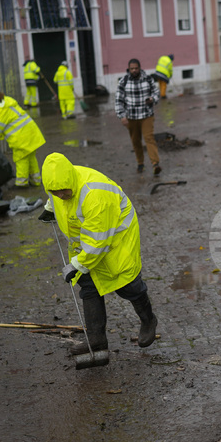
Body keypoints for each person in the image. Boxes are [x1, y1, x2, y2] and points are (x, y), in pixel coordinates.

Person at [38, 152, 158, 365]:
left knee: (126, 284)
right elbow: (57, 197)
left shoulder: (94, 195)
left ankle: (148, 320)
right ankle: (96, 340)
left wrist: (76, 265)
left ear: (70, 180)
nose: (61, 195)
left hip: (116, 238)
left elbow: (98, 242)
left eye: (63, 191)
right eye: (55, 192)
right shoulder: (59, 184)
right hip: (90, 241)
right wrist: (50, 208)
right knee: (89, 285)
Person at [0, 87, 46, 187]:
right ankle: (36, 180)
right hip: (30, 132)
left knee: (21, 158)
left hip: (21, 137)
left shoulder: (1, 109)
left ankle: (21, 183)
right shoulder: (7, 101)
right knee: (31, 157)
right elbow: (7, 124)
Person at [115, 58, 161, 175]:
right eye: (132, 69)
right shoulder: (123, 81)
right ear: (128, 69)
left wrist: (152, 99)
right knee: (136, 141)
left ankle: (155, 164)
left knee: (149, 138)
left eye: (136, 68)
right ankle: (140, 163)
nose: (134, 70)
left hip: (146, 115)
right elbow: (118, 100)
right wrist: (122, 116)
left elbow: (156, 92)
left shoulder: (148, 79)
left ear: (140, 68)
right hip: (131, 117)